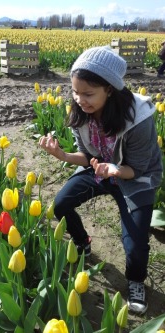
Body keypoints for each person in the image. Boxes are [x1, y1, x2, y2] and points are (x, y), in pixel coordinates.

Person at [39, 46, 162, 315]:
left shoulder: (138, 119)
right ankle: (82, 241)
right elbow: (87, 156)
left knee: (136, 241)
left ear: (110, 89)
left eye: (88, 93)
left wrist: (116, 171)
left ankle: (136, 281)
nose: (79, 99)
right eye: (75, 91)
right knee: (60, 205)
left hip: (133, 178)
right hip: (100, 170)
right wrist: (61, 154)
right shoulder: (81, 114)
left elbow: (139, 169)